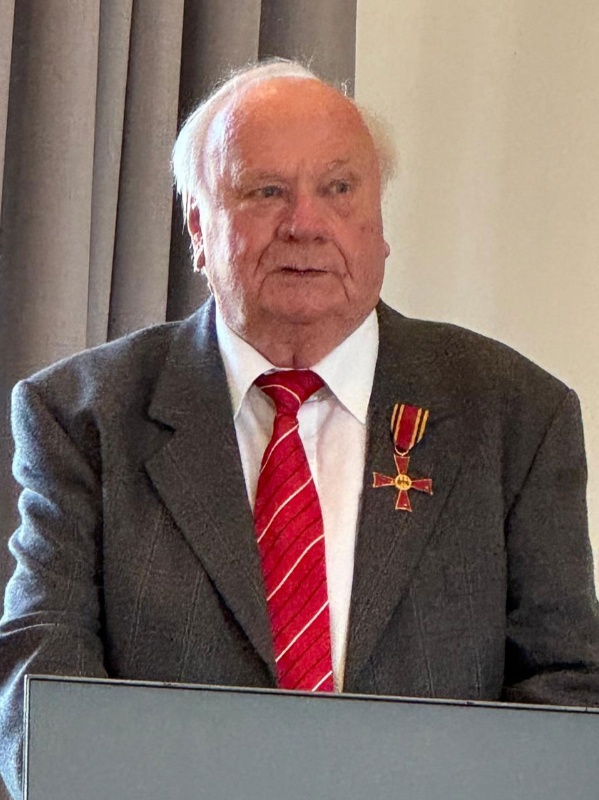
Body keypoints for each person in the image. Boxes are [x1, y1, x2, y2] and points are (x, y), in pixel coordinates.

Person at [2, 58, 599, 797]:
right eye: (266, 191)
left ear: (380, 223)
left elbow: (565, 690)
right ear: (198, 226)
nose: (305, 224)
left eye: (338, 189)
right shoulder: (83, 416)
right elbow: (43, 685)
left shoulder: (514, 416)